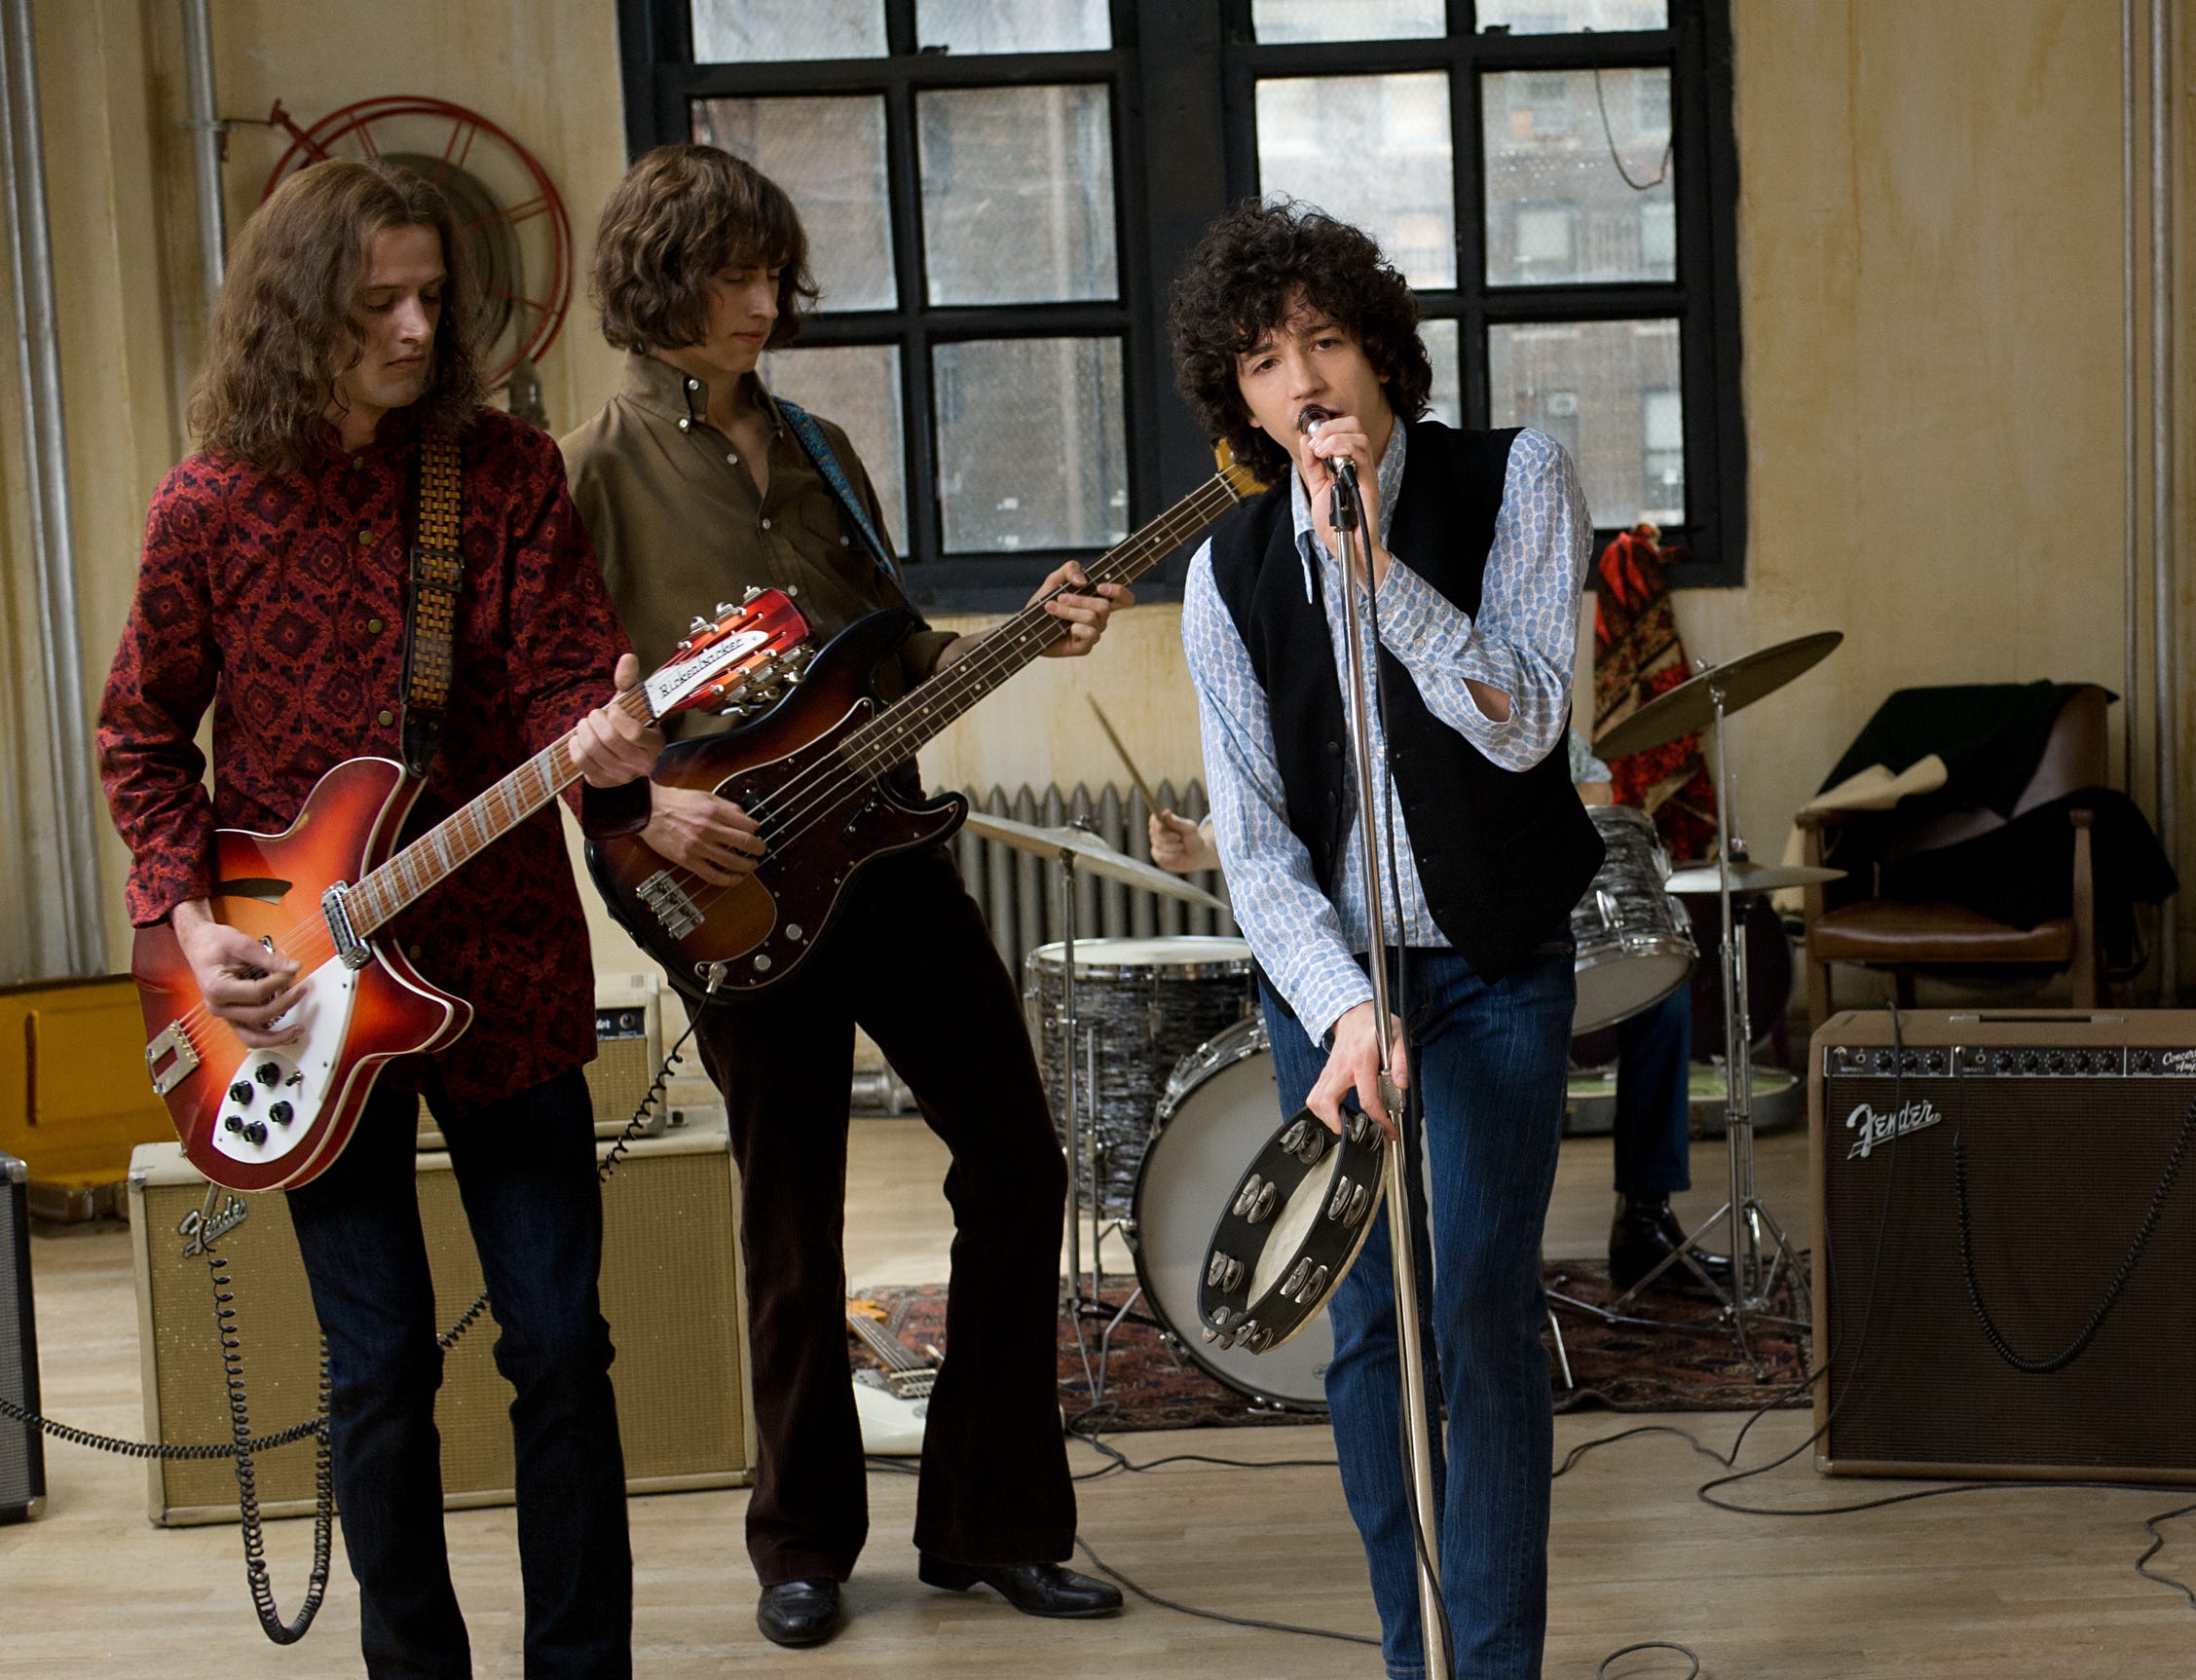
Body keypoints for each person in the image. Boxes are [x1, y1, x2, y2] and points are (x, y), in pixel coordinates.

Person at [559, 144, 1129, 1650]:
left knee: (1018, 1161)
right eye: (731, 275)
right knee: (792, 1217)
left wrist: (1025, 636)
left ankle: (995, 1525)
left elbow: (889, 650)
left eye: (772, 273)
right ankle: (801, 1544)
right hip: (727, 878)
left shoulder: (819, 447)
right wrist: (644, 809)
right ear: (658, 282)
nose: (764, 301)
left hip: (887, 853)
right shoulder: (589, 471)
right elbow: (557, 709)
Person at [99, 160, 660, 1678]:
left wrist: (609, 741)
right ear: (297, 313)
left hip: (505, 961)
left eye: (430, 297)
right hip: (291, 993)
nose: (416, 329)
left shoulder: (503, 472)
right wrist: (186, 919)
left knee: (560, 1342)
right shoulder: (207, 504)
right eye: (375, 305)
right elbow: (140, 735)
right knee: (380, 1363)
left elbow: (564, 677)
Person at [1167, 199, 1599, 1680]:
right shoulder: (1225, 577)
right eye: (1265, 361)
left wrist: (1380, 584)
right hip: (1332, 986)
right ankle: (1415, 1655)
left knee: (1476, 1300)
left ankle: (1495, 1664)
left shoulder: (1515, 479)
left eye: (1324, 341)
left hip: (1493, 965)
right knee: (1366, 1327)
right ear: (1240, 400)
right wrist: (1346, 1006)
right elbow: (1254, 844)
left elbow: (1526, 723)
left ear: (1379, 355)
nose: (1303, 381)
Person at [1148, 739, 1724, 1298]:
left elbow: (1593, 794)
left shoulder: (1520, 705)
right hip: (1355, 955)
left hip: (1506, 930)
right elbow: (1257, 832)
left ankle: (1644, 1210)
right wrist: (1196, 845)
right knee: (1373, 1274)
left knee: (1663, 1000)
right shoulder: (1298, 719)